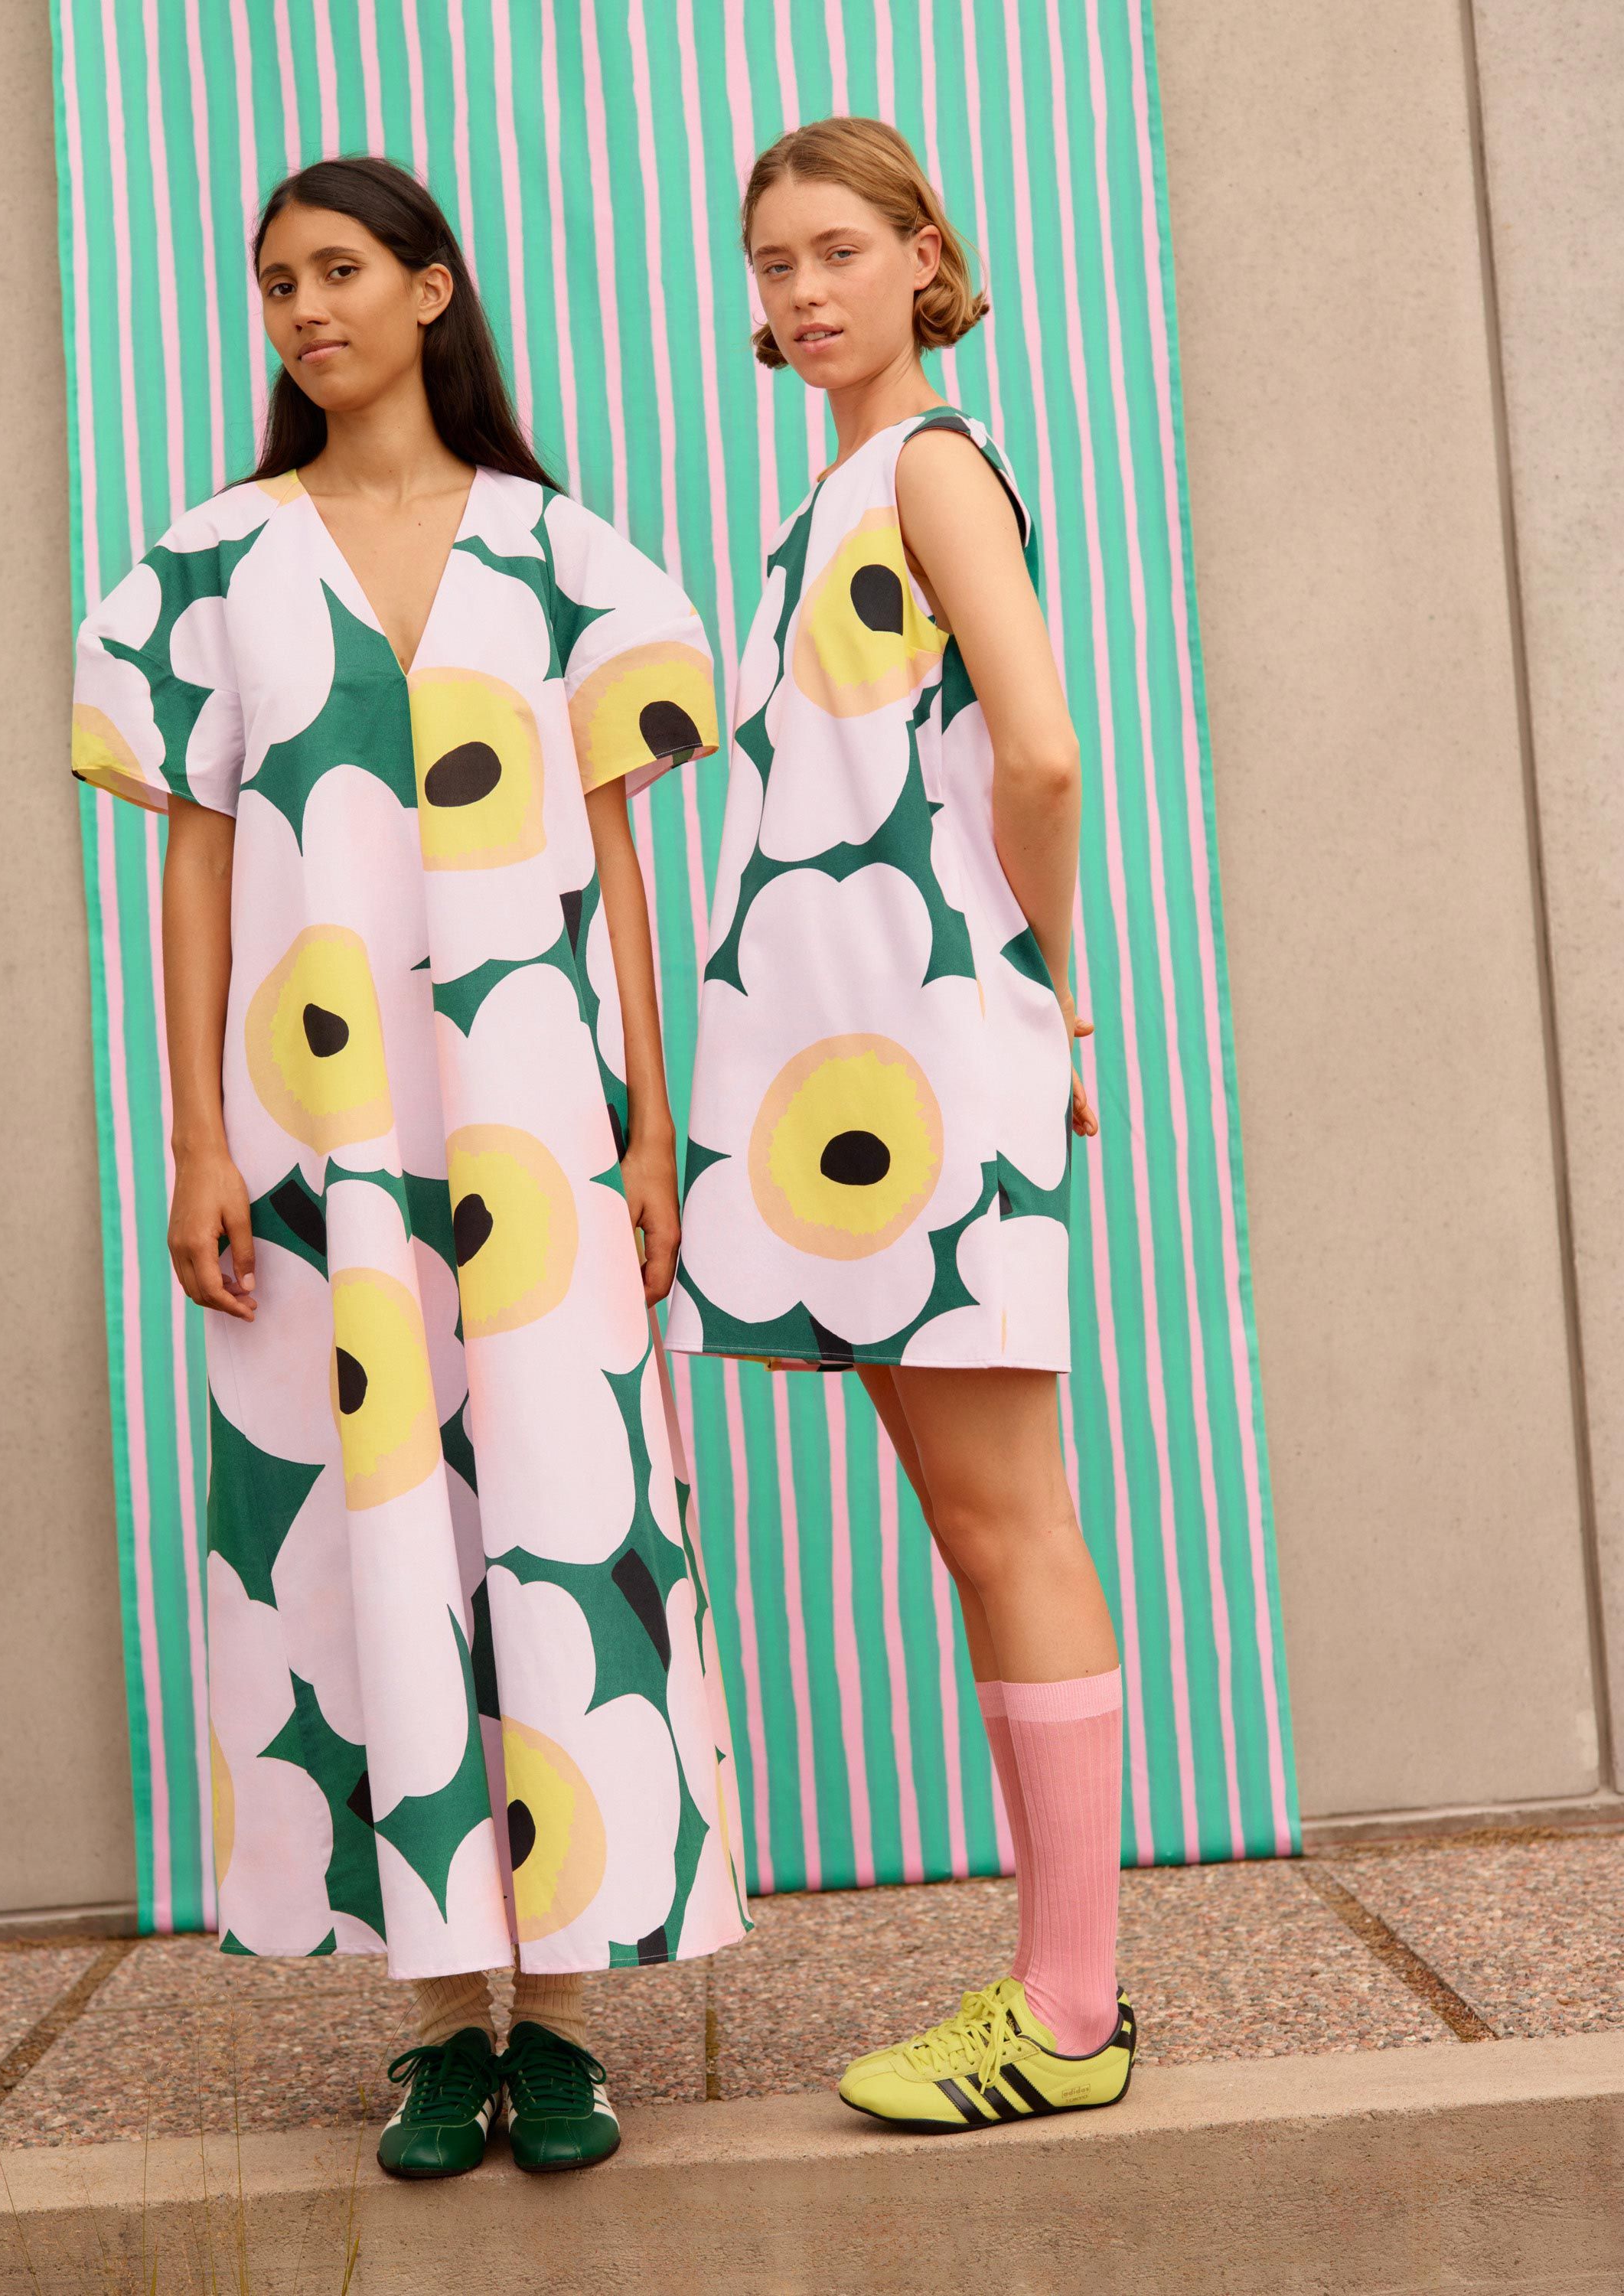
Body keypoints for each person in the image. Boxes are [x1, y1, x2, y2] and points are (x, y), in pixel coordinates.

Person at [71, 155, 748, 2180]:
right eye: (276, 281)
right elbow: (196, 861)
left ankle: (575, 2017)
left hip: (538, 1124)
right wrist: (194, 1130)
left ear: (433, 288)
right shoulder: (203, 568)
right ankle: (446, 2018)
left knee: (559, 1516)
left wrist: (651, 1122)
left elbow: (619, 851)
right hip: (315, 1147)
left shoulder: (569, 561)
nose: (304, 309)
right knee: (359, 1532)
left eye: (341, 271)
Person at [667, 116, 1135, 2127]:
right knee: (973, 1520)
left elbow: (1038, 747)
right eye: (773, 262)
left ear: (925, 257)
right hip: (850, 1084)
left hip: (924, 1070)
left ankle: (1071, 2012)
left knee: (1008, 1515)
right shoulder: (835, 494)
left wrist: (1047, 987)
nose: (801, 291)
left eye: (838, 249)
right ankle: (1057, 1990)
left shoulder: (929, 467)